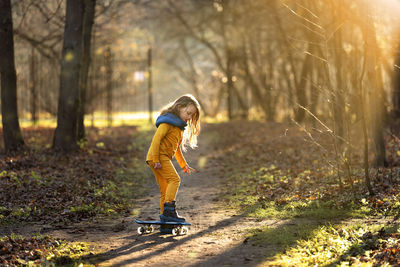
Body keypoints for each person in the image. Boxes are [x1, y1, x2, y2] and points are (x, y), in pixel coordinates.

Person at [146, 94, 201, 222]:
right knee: (175, 180)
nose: (189, 118)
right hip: (158, 157)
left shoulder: (178, 127)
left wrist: (183, 164)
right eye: (188, 113)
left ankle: (165, 221)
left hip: (159, 158)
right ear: (180, 107)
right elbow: (156, 140)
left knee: (166, 190)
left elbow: (176, 149)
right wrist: (156, 160)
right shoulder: (167, 122)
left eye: (191, 116)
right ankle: (169, 212)